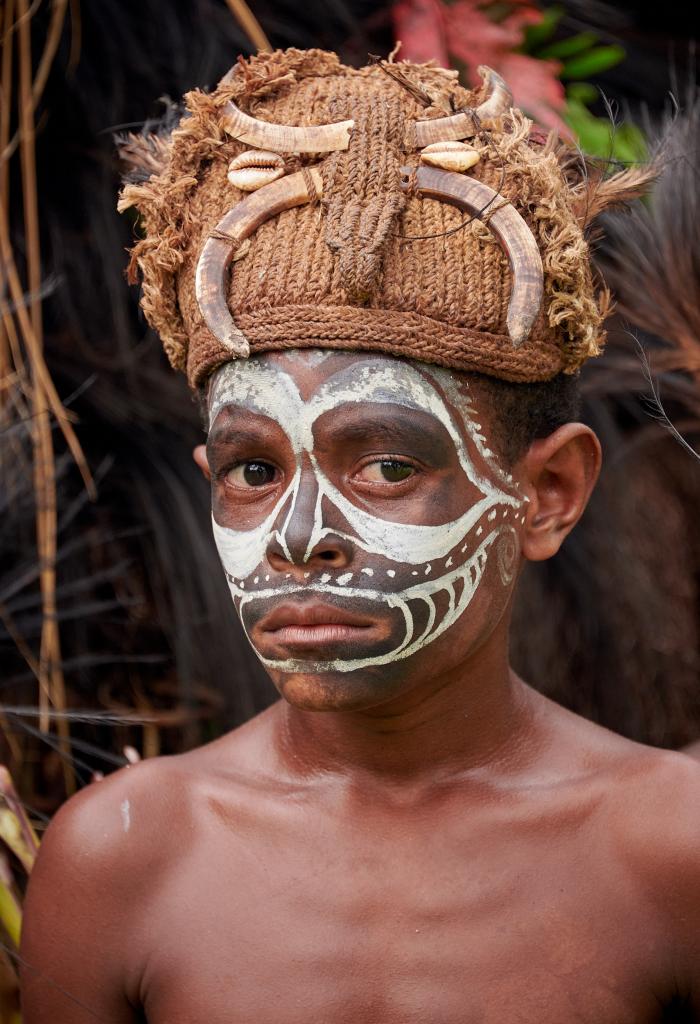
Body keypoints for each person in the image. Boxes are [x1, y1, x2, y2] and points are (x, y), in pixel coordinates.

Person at [20, 48, 700, 1022]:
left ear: (546, 494)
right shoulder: (124, 861)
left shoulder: (668, 851)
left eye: (385, 464)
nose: (300, 538)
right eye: (256, 471)